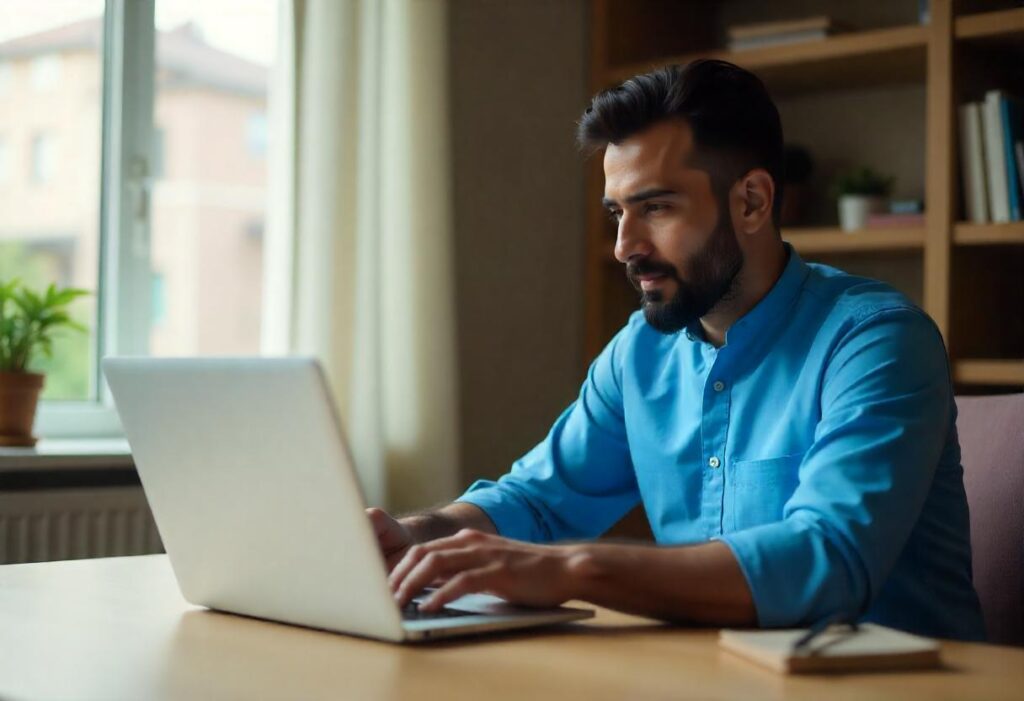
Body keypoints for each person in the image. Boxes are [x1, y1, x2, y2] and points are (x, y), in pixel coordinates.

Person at [370, 59, 986, 640]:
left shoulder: (876, 340)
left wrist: (573, 570)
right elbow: (537, 502)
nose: (623, 246)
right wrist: (418, 533)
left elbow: (827, 561)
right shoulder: (638, 355)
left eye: (655, 207)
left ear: (751, 201)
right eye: (616, 213)